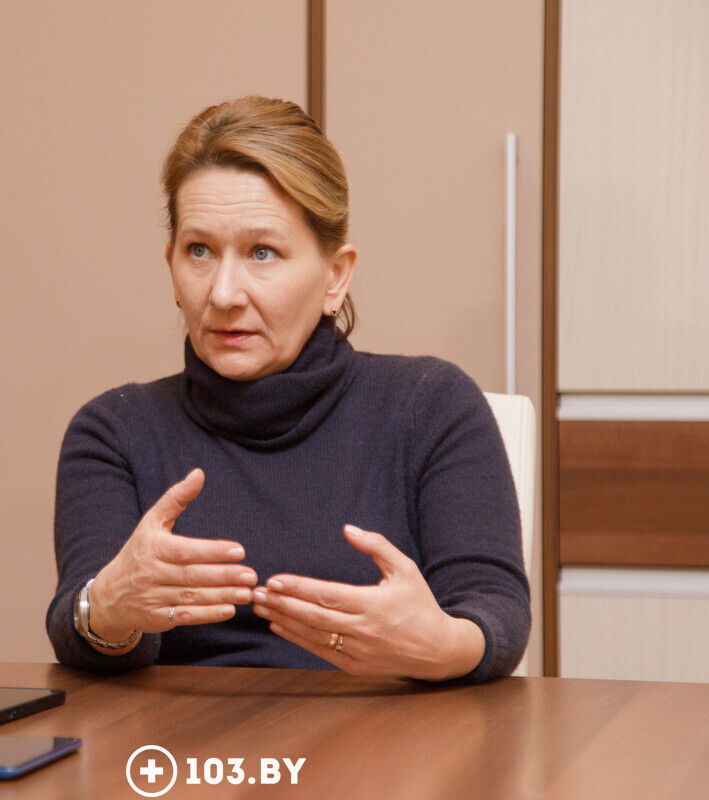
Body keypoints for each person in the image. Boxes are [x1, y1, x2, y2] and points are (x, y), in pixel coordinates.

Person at [46, 96, 529, 682]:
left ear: (335, 276)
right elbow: (79, 625)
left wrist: (438, 645)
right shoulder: (113, 431)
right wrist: (108, 608)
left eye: (262, 253)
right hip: (181, 738)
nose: (223, 293)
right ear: (171, 266)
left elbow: (496, 612)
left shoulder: (431, 404)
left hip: (386, 732)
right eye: (199, 251)